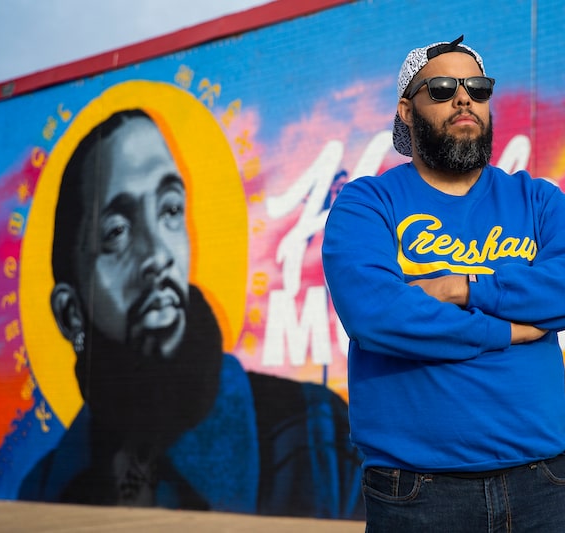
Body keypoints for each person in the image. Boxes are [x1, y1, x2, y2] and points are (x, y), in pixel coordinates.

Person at [321, 36, 565, 532]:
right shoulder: (367, 203)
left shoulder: (539, 200)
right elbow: (378, 314)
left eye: (477, 87)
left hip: (543, 486)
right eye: (442, 88)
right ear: (407, 111)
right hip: (418, 493)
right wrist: (508, 329)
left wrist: (466, 288)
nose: (463, 98)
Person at [19, 109, 363, 518]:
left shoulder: (317, 437)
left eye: (169, 210)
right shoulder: (45, 491)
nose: (157, 255)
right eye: (116, 232)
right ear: (71, 312)